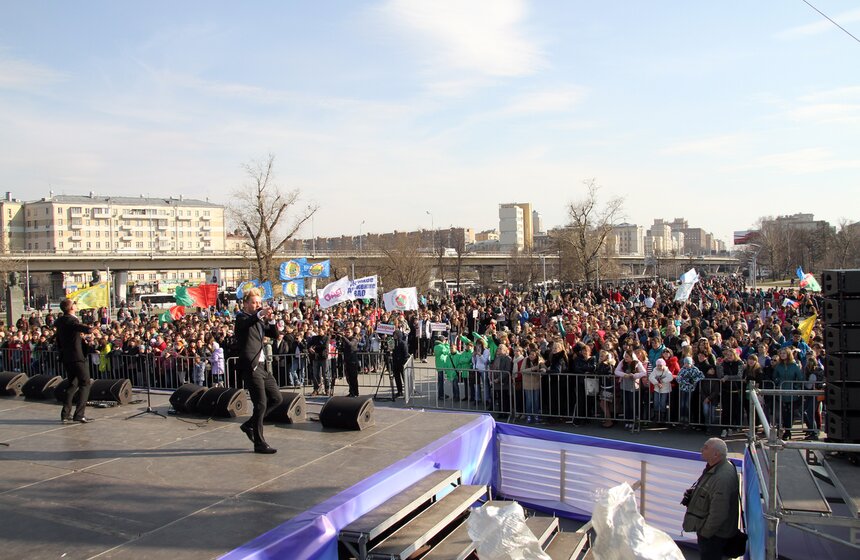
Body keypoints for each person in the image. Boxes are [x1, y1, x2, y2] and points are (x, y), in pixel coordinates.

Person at [234, 288, 282, 454]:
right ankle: (259, 443)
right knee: (260, 404)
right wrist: (260, 314)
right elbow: (248, 323)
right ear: (246, 304)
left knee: (276, 398)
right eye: (254, 303)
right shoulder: (241, 318)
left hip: (262, 367)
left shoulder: (259, 320)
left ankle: (249, 425)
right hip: (251, 366)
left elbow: (275, 334)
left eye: (259, 303)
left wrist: (271, 320)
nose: (257, 305)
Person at [682, 438, 741, 560]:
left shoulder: (722, 477)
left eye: (706, 447)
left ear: (716, 454)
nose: (701, 450)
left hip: (714, 537)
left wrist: (705, 533)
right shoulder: (717, 468)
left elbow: (719, 513)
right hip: (715, 535)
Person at [55, 298, 97, 424]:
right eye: (74, 303)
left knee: (72, 384)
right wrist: (91, 329)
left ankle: (65, 414)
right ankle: (79, 414)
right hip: (77, 358)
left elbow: (64, 338)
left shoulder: (61, 321)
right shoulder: (70, 320)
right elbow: (77, 326)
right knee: (85, 383)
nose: (76, 305)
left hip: (67, 357)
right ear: (70, 307)